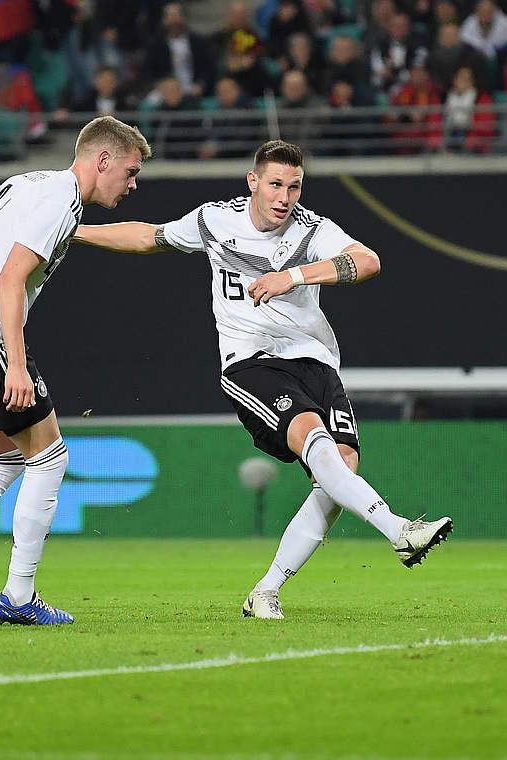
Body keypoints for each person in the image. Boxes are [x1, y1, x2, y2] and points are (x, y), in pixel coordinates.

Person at [72, 140, 454, 620]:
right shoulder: (215, 220)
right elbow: (150, 235)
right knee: (312, 438)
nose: (285, 197)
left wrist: (291, 277)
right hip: (251, 360)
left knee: (341, 470)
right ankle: (399, 530)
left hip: (316, 361)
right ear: (253, 182)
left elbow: (369, 260)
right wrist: (77, 231)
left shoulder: (312, 229)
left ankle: (266, 590)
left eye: (294, 186)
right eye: (275, 184)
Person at [0, 115, 150, 628]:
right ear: (102, 159)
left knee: (3, 457)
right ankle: (19, 596)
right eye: (129, 173)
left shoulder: (25, 181)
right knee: (51, 456)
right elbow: (10, 276)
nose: (132, 185)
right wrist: (16, 366)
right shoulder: (60, 200)